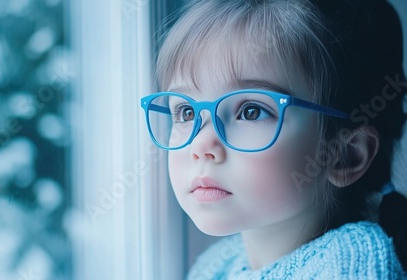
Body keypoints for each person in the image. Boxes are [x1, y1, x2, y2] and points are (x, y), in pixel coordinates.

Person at [140, 0, 407, 278]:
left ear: (344, 155)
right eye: (186, 112)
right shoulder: (217, 263)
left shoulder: (351, 265)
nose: (201, 145)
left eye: (251, 111)